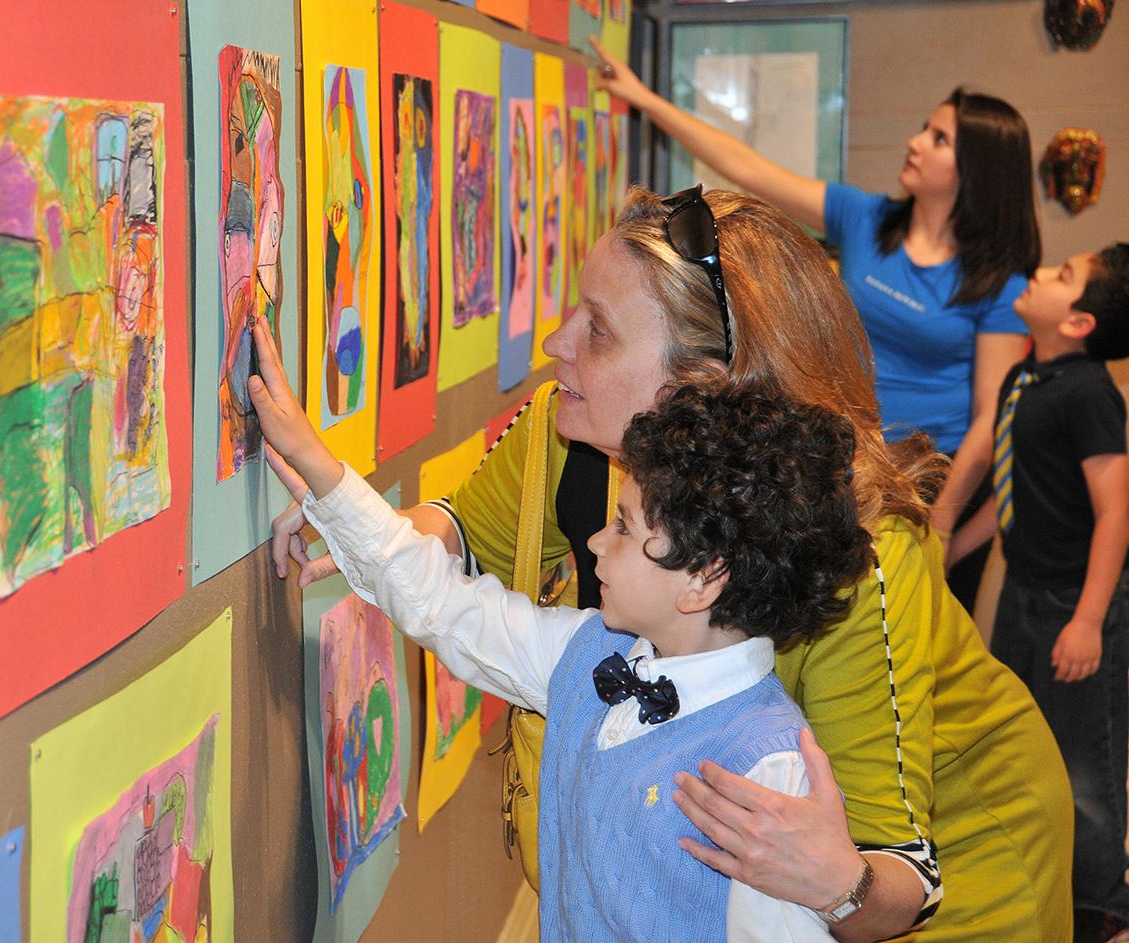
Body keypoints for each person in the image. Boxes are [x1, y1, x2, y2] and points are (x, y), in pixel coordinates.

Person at [272, 186, 1072, 940]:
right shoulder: (573, 431)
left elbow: (899, 868)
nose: (558, 344)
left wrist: (839, 883)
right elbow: (458, 537)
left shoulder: (859, 556)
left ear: (702, 384)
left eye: (600, 328)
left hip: (945, 868)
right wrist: (337, 513)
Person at [253, 306, 865, 939]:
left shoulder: (765, 768)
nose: (596, 543)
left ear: (703, 578)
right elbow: (443, 605)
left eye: (625, 528)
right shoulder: (589, 654)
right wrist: (321, 472)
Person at [590, 40, 1040, 610]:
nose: (915, 141)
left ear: (978, 169)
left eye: (939, 138)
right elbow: (744, 165)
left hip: (937, 485)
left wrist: (944, 523)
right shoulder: (867, 219)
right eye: (925, 128)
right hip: (851, 458)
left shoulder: (1000, 283)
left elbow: (987, 422)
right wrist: (640, 96)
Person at [948, 243, 1129, 940]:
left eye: (1062, 276)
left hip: (1074, 605)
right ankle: (1044, 870)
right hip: (1024, 594)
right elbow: (1010, 488)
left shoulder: (1088, 395)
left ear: (1079, 322)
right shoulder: (1026, 375)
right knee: (1023, 737)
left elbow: (1115, 510)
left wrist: (1086, 621)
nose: (1042, 272)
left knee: (1086, 760)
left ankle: (1104, 902)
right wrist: (953, 546)